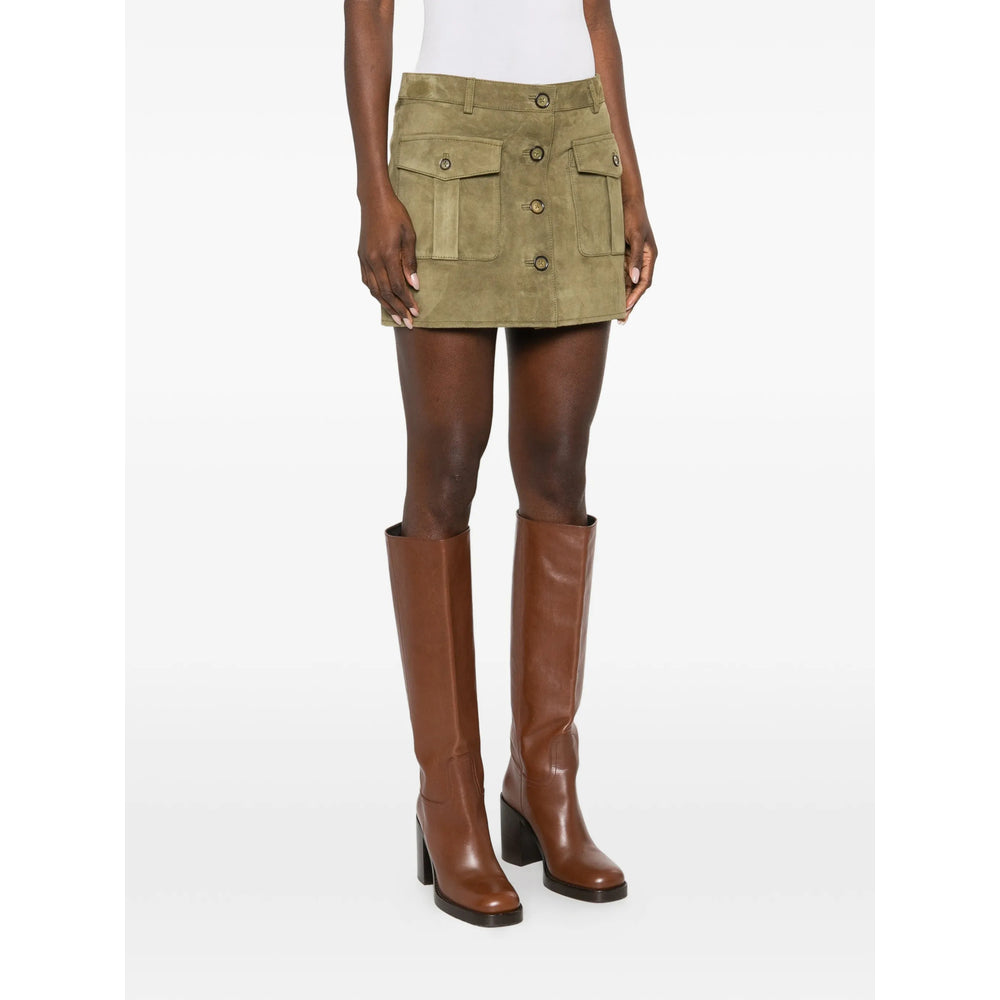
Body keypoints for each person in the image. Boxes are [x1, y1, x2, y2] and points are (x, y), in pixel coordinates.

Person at [344, 0, 657, 927]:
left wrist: (631, 182)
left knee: (559, 467)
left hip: (580, 146)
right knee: (446, 464)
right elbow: (368, 12)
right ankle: (448, 801)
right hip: (447, 147)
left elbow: (596, 18)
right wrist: (373, 190)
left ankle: (543, 781)